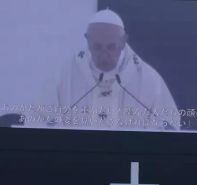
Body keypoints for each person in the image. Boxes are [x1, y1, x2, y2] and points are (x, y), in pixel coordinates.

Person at [42, 9, 180, 132]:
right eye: (97, 47)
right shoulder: (65, 75)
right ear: (87, 40)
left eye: (111, 47)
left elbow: (168, 126)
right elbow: (41, 120)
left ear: (123, 41)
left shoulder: (148, 79)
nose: (104, 53)